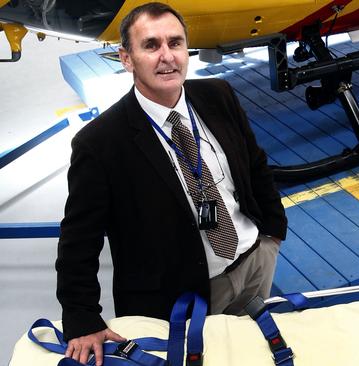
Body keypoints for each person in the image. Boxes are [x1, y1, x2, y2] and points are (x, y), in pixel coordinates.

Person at [55, 3, 287, 365]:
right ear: (126, 59)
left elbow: (255, 164)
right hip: (183, 296)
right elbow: (77, 240)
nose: (167, 57)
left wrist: (272, 232)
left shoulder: (218, 95)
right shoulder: (100, 143)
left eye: (175, 43)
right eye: (151, 46)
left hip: (254, 259)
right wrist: (81, 317)